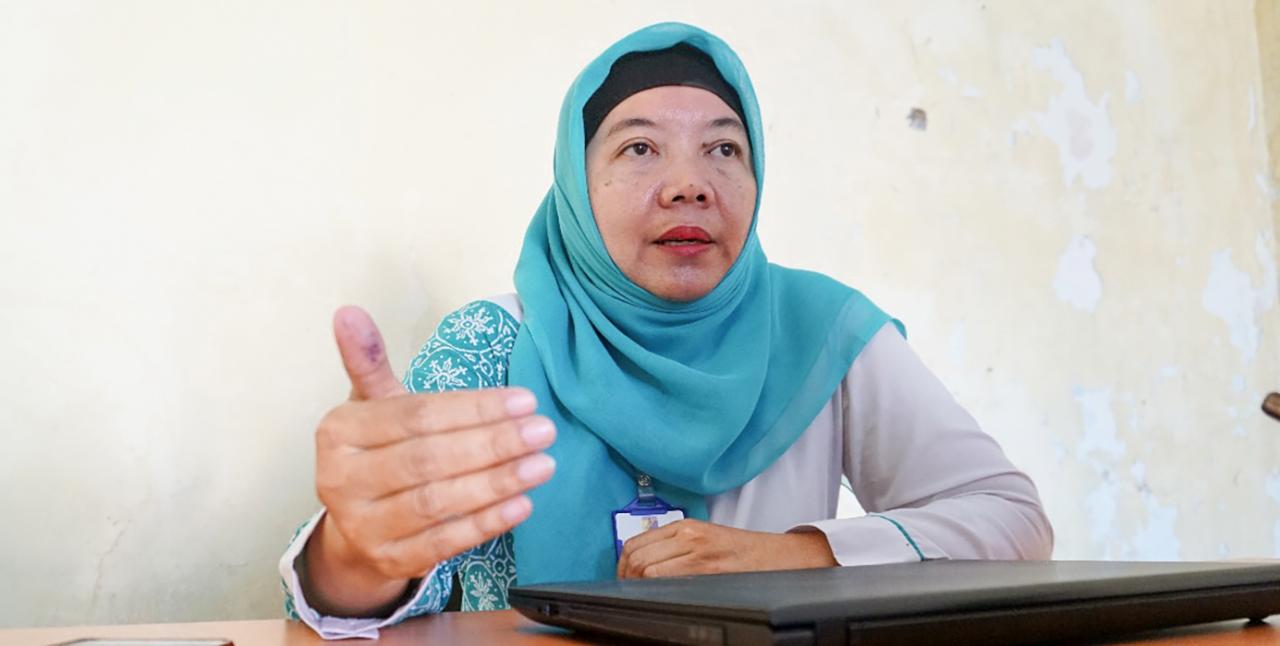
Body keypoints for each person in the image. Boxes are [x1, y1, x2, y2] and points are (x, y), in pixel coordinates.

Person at [278, 22, 1054, 640]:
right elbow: (355, 604)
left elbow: (1012, 518)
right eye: (640, 148)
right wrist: (353, 555)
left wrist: (793, 558)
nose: (690, 184)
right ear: (577, 184)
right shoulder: (491, 345)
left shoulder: (821, 331)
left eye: (724, 148)